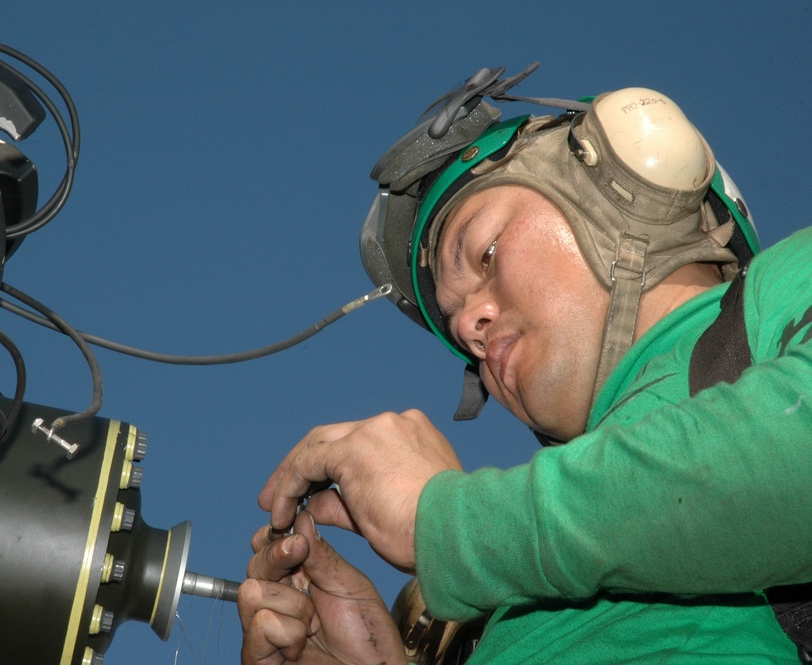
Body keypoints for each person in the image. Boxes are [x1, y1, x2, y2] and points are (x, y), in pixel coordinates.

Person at [236, 65, 812, 664]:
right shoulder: (493, 596)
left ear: (628, 185)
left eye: (485, 253)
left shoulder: (786, 289)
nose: (467, 329)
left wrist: (450, 525)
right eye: (459, 333)